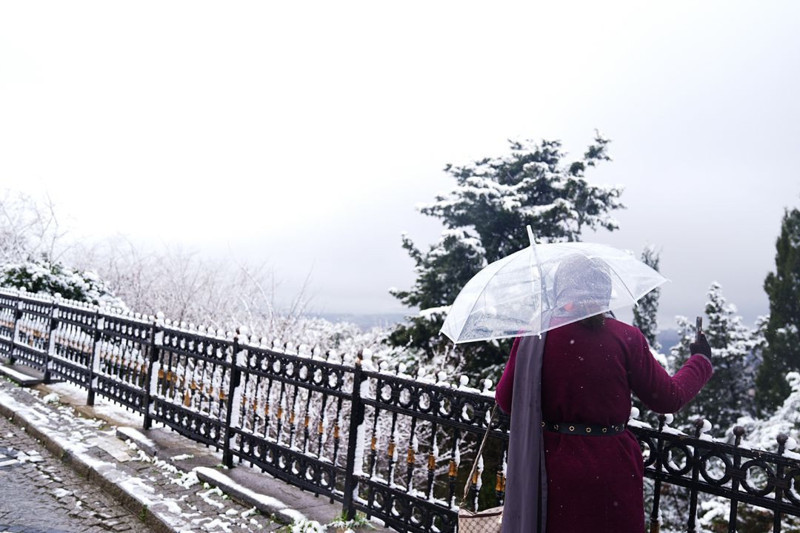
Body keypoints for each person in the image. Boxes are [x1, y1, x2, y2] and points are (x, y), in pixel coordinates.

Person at [494, 255, 713, 533]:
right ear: (605, 290)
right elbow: (668, 397)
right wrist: (700, 361)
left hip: (550, 470)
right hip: (611, 472)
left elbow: (505, 400)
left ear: (560, 289)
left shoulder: (535, 335)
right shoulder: (626, 337)